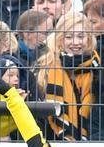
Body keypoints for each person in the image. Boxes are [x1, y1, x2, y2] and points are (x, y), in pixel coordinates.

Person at [37, 11, 98, 140]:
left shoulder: (98, 67)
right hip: (52, 141)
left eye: (81, 36)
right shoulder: (44, 68)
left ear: (88, 38)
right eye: (69, 37)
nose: (75, 42)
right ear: (60, 39)